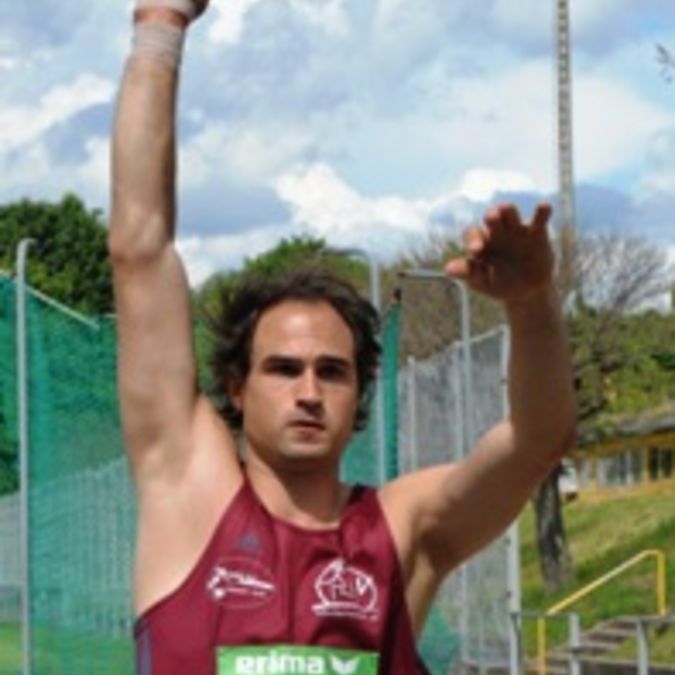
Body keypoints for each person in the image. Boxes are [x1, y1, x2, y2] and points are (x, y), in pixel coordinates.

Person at [109, 2, 577, 674]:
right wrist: (161, 26)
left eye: (331, 370)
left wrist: (531, 304)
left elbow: (539, 439)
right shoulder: (190, 491)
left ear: (359, 391)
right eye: (283, 368)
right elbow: (139, 250)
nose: (308, 391)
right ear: (237, 387)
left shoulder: (404, 528)